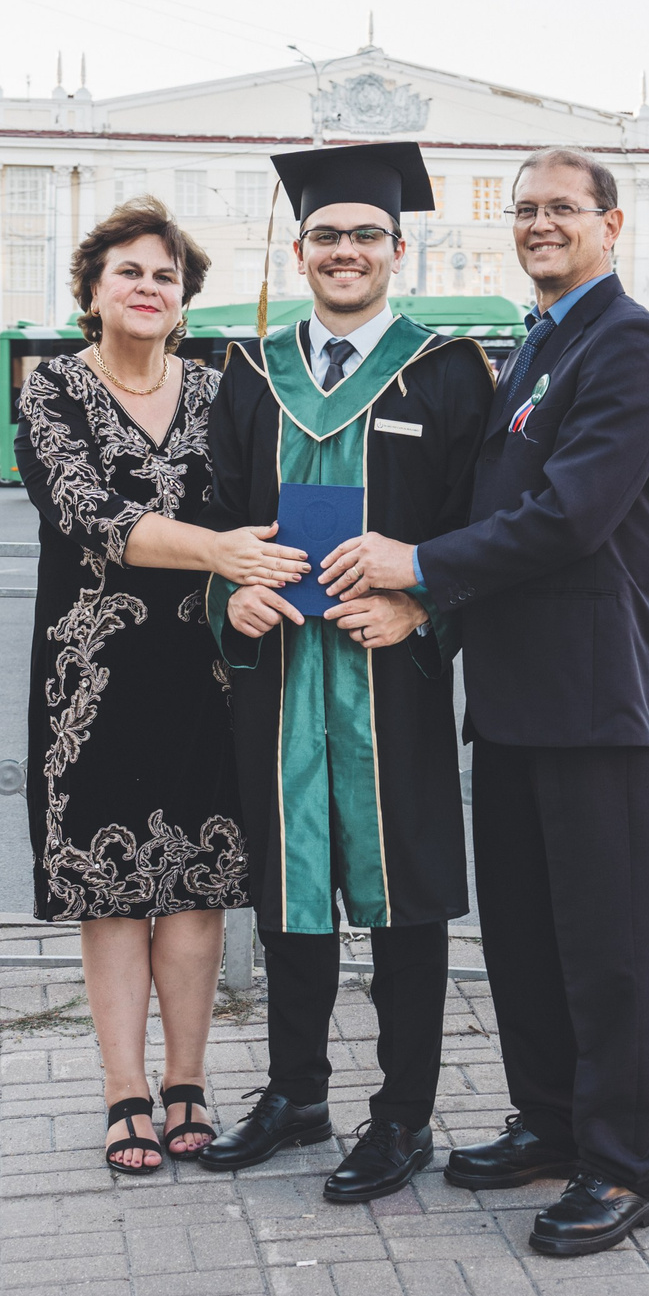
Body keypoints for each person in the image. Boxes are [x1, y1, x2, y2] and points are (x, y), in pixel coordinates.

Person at [321, 145, 649, 1257]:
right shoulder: (536, 344)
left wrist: (413, 571)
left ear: (609, 226)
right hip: (519, 692)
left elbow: (568, 517)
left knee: (609, 944)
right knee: (527, 934)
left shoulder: (628, 346)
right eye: (525, 210)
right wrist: (435, 605)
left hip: (596, 691)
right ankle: (549, 1123)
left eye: (561, 209)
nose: (539, 225)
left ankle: (622, 1167)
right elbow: (493, 499)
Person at [195, 141, 496, 1203]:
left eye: (366, 235)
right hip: (278, 683)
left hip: (391, 684)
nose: (345, 252)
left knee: (402, 903)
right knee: (291, 901)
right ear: (299, 248)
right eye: (327, 235)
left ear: (397, 251)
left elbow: (486, 530)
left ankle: (402, 1115)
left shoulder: (448, 372)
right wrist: (227, 594)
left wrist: (421, 606)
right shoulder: (247, 375)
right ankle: (295, 1093)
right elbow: (216, 524)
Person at [13, 199, 310, 1177]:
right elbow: (87, 511)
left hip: (206, 669)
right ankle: (123, 1092)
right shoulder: (51, 386)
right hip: (92, 679)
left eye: (166, 276)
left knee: (197, 882)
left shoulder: (225, 386)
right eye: (130, 271)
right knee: (111, 887)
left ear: (183, 301)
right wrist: (219, 551)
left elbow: (264, 500)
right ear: (92, 290)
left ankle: (187, 1082)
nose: (149, 287)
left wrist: (262, 567)